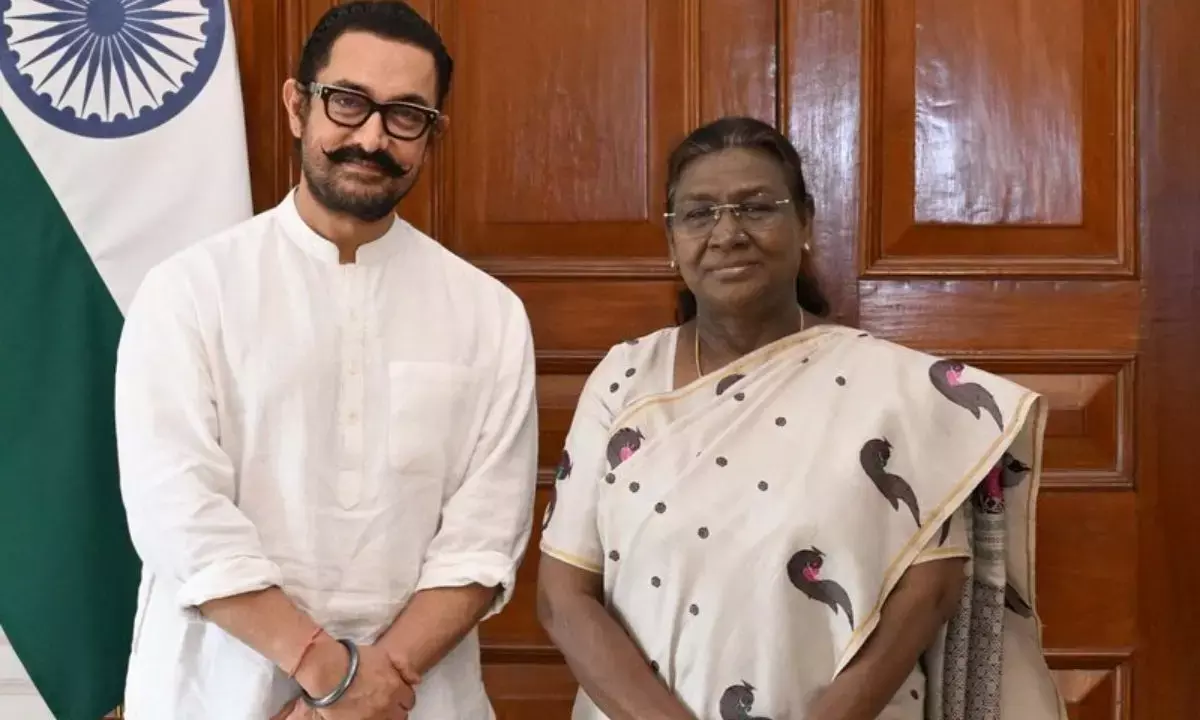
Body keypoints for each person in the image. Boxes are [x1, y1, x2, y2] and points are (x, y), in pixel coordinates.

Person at [536, 116, 1067, 720]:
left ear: (806, 223)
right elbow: (563, 595)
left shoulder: (894, 390)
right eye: (699, 213)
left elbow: (931, 591)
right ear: (671, 239)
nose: (728, 233)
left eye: (756, 207)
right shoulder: (624, 379)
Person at [114, 3, 538, 718]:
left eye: (406, 116)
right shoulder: (189, 291)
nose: (371, 137)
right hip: (217, 693)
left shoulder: (487, 314)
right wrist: (328, 672)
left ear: (431, 136)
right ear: (297, 106)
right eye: (347, 102)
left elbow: (484, 540)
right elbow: (177, 514)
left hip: (417, 698)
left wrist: (369, 692)